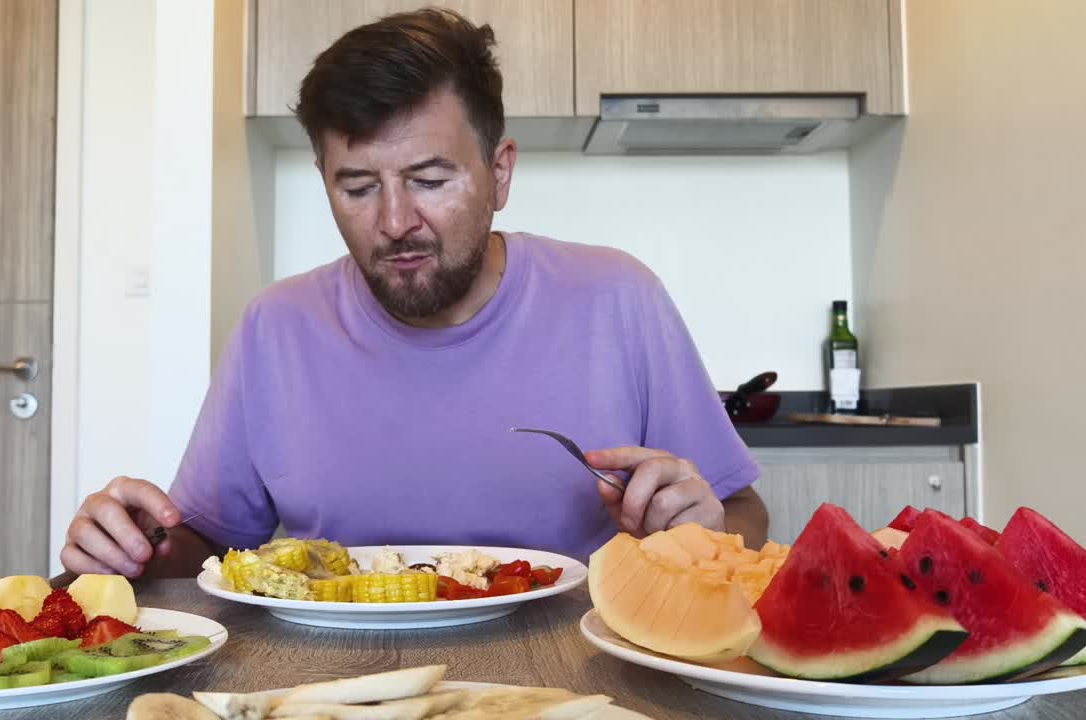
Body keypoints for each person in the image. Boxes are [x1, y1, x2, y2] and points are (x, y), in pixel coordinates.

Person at [59, 8, 768, 579]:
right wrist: (134, 546)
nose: (395, 222)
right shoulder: (274, 327)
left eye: (430, 181)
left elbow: (743, 512)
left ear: (500, 172)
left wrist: (706, 526)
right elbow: (207, 548)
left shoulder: (619, 298)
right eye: (358, 187)